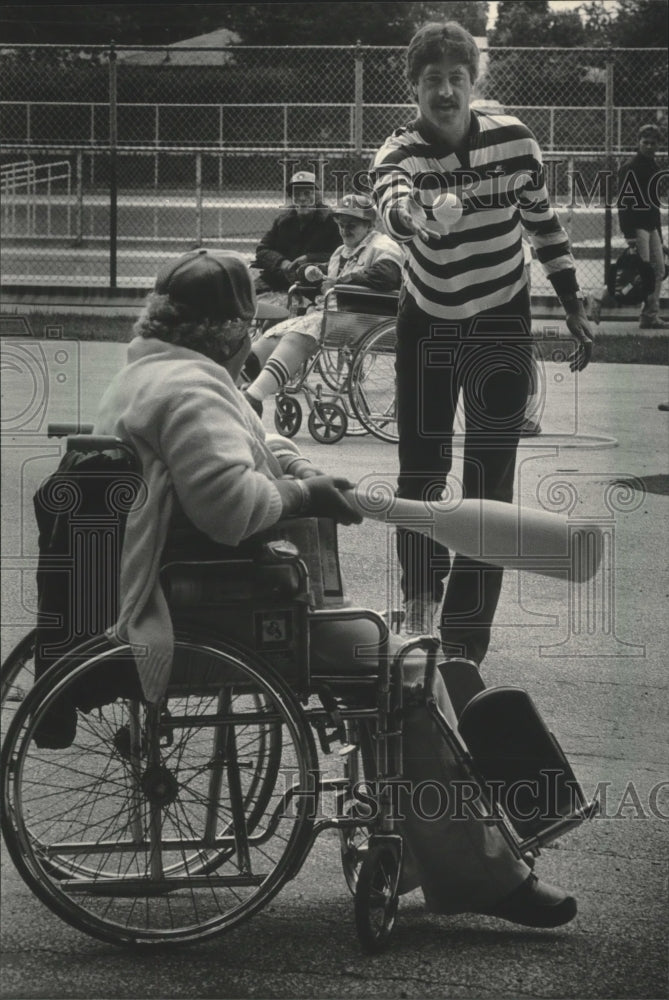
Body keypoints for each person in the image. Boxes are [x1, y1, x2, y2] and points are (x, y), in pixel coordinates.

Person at [93, 247, 579, 929]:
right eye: (249, 328)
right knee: (406, 665)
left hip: (200, 592)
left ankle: (428, 849)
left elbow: (244, 446)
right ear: (231, 331)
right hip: (221, 607)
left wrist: (297, 467)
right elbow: (229, 509)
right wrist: (304, 494)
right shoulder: (190, 390)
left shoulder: (156, 375)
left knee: (409, 655)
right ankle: (480, 873)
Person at [369, 20, 594, 653]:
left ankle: (466, 642)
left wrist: (573, 303)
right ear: (414, 87)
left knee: (490, 479)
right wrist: (410, 214)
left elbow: (544, 224)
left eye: (456, 78)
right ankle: (418, 608)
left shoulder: (517, 142)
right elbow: (391, 196)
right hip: (429, 321)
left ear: (475, 82)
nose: (445, 90)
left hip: (500, 315)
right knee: (421, 471)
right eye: (432, 79)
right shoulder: (401, 153)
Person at [243, 194, 403, 416]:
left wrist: (339, 282)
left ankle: (254, 397)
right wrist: (309, 272)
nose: (344, 231)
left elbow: (386, 276)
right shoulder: (343, 250)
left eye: (352, 225)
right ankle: (236, 384)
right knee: (275, 334)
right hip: (336, 315)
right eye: (341, 225)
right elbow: (330, 272)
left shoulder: (383, 246)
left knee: (300, 334)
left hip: (367, 318)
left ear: (370, 225)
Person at [254, 169, 342, 295]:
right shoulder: (282, 220)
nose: (302, 198)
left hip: (314, 280)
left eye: (307, 193)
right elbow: (262, 250)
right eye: (297, 194)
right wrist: (281, 262)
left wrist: (309, 258)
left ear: (318, 197)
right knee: (244, 294)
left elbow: (341, 254)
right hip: (279, 277)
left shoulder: (331, 221)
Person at [617, 123, 668, 330]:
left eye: (652, 143)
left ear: (659, 145)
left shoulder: (654, 168)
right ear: (638, 143)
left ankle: (649, 315)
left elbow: (654, 206)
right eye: (645, 142)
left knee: (659, 269)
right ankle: (601, 297)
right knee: (642, 272)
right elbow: (623, 203)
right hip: (637, 227)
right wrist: (628, 233)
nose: (648, 146)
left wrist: (660, 237)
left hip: (651, 227)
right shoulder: (630, 167)